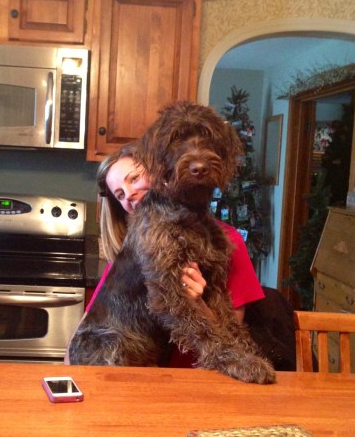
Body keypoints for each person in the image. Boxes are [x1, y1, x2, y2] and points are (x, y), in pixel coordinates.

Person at [65, 144, 265, 366]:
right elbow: (85, 332)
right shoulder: (134, 250)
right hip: (139, 379)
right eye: (120, 194)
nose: (129, 194)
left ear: (160, 173)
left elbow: (232, 340)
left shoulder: (228, 240)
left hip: (199, 380)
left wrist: (196, 301)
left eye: (134, 178)